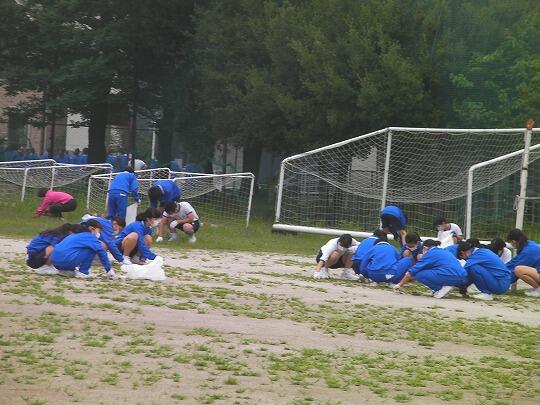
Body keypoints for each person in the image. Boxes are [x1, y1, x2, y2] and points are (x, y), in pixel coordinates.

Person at [394, 239, 467, 298]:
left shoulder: (430, 253)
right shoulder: (444, 251)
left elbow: (412, 271)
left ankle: (440, 288)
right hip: (462, 277)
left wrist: (399, 284)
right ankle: (445, 286)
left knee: (418, 274)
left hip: (449, 275)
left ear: (425, 248)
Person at [50, 219, 115, 279]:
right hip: (66, 261)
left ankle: (66, 270)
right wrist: (109, 269)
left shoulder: (75, 235)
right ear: (92, 228)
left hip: (55, 261)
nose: (99, 233)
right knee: (92, 249)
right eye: (99, 231)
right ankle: (83, 272)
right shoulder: (90, 237)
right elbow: (101, 251)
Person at [505, 229, 540, 297]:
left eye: (511, 243)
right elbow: (514, 262)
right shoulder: (529, 244)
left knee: (519, 270)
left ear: (513, 241)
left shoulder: (528, 251)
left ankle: (538, 290)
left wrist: (502, 283)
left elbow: (514, 268)